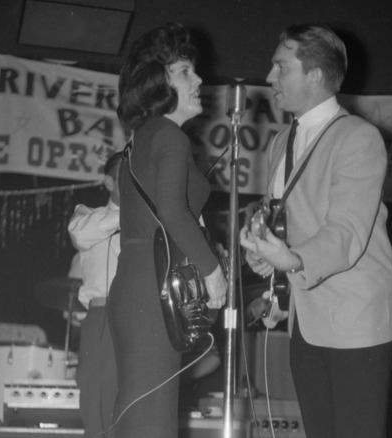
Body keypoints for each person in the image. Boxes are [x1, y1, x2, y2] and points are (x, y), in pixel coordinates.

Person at [240, 24, 392, 437]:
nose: (270, 77)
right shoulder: (280, 142)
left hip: (354, 319)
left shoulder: (359, 138)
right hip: (306, 320)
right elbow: (282, 216)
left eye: (280, 67)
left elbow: (346, 230)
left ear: (314, 75)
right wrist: (262, 247)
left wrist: (292, 258)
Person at [108, 22, 227, 438]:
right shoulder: (171, 137)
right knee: (151, 425)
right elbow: (173, 211)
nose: (199, 81)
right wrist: (214, 272)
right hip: (153, 294)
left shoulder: (143, 137)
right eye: (185, 72)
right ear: (160, 81)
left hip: (136, 287)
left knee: (139, 418)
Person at [67, 152, 123, 438]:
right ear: (108, 182)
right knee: (98, 403)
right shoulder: (86, 214)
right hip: (103, 317)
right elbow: (80, 234)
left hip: (141, 319)